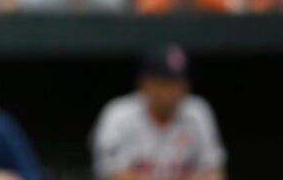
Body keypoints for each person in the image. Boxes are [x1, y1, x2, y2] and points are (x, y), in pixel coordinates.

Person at [90, 44, 226, 180]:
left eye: (179, 82)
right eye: (166, 83)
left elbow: (214, 173)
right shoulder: (118, 114)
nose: (175, 91)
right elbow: (117, 175)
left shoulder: (198, 112)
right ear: (144, 84)